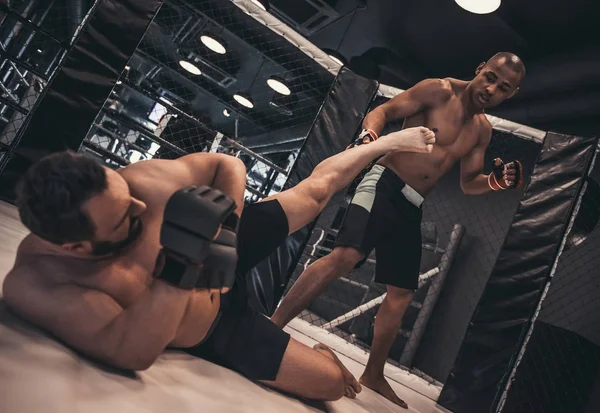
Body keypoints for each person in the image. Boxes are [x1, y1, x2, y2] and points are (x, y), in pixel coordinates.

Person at [2, 126, 435, 402]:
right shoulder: (42, 283)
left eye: (125, 190)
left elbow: (225, 164)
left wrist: (225, 233)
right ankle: (318, 353)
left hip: (223, 237)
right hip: (213, 326)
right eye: (125, 217)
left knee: (315, 194)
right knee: (330, 386)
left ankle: (384, 145)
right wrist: (182, 264)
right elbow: (130, 350)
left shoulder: (142, 183)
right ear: (76, 247)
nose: (138, 203)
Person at [270, 52, 527, 408]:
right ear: (479, 68)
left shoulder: (481, 131)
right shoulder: (438, 91)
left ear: (510, 95)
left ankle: (373, 373)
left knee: (401, 294)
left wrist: (496, 182)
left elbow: (469, 183)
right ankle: (273, 327)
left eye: (503, 87)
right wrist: (370, 135)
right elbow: (385, 111)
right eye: (491, 77)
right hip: (384, 182)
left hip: (412, 205)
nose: (491, 88)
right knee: (344, 256)